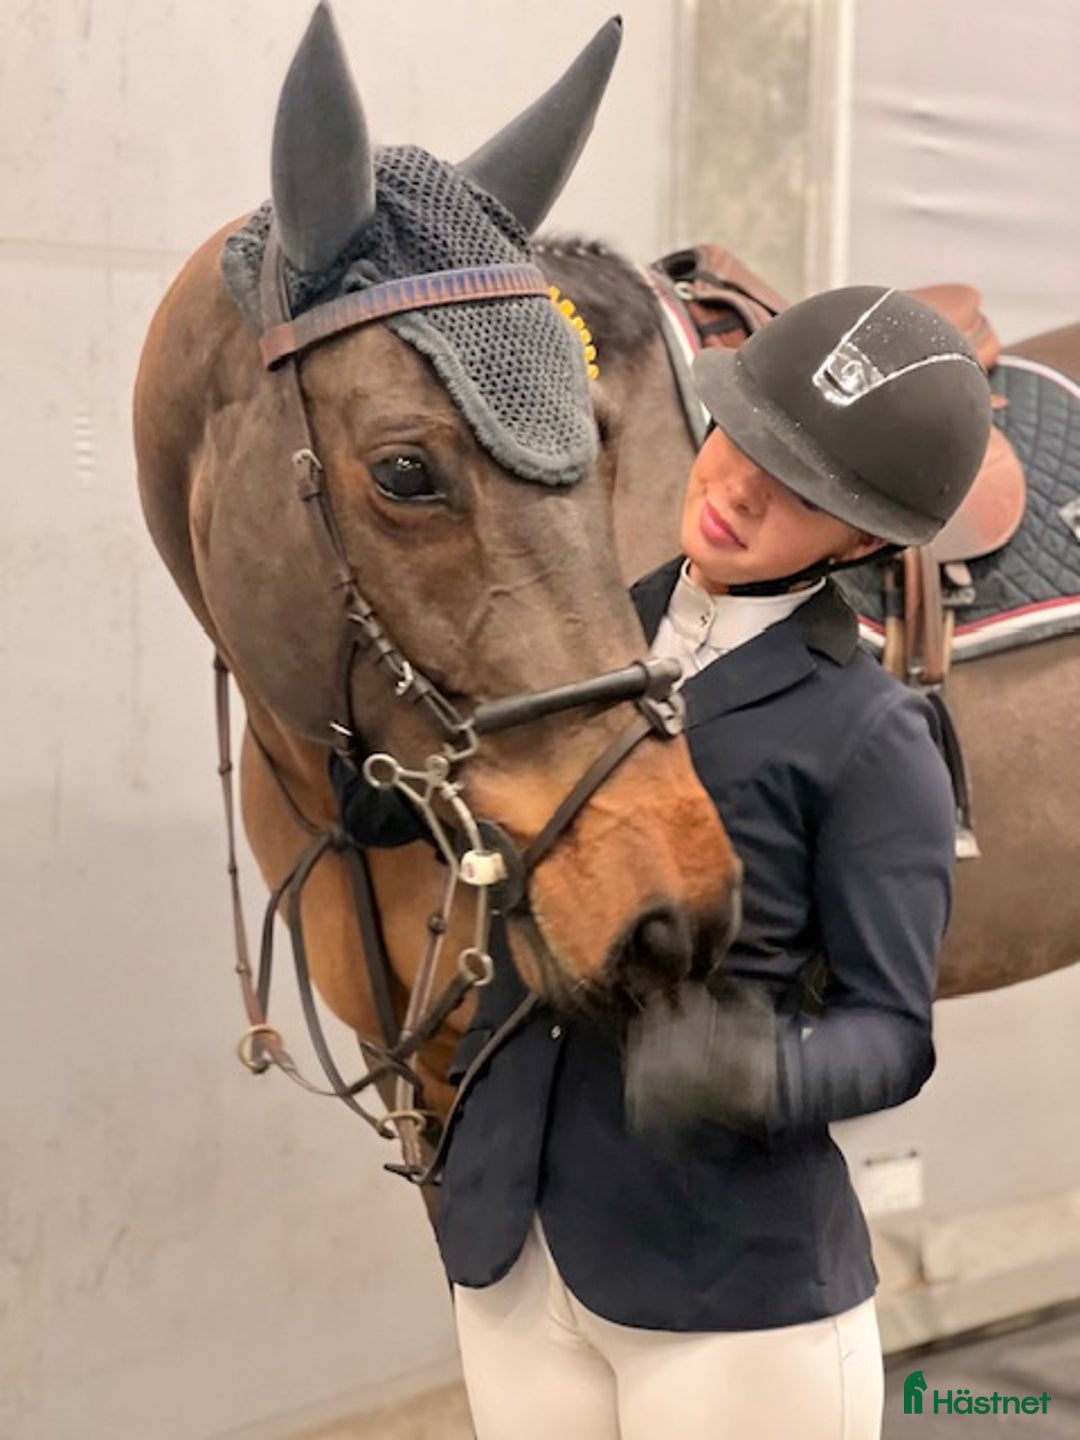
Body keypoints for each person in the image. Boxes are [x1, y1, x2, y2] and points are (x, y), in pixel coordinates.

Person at [332, 285, 992, 1440]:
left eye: (799, 490)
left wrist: (749, 1073)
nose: (737, 489)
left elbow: (896, 1033)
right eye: (740, 439)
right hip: (512, 1251)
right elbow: (436, 809)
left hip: (726, 1287)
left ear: (863, 540)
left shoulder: (871, 736)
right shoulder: (568, 633)